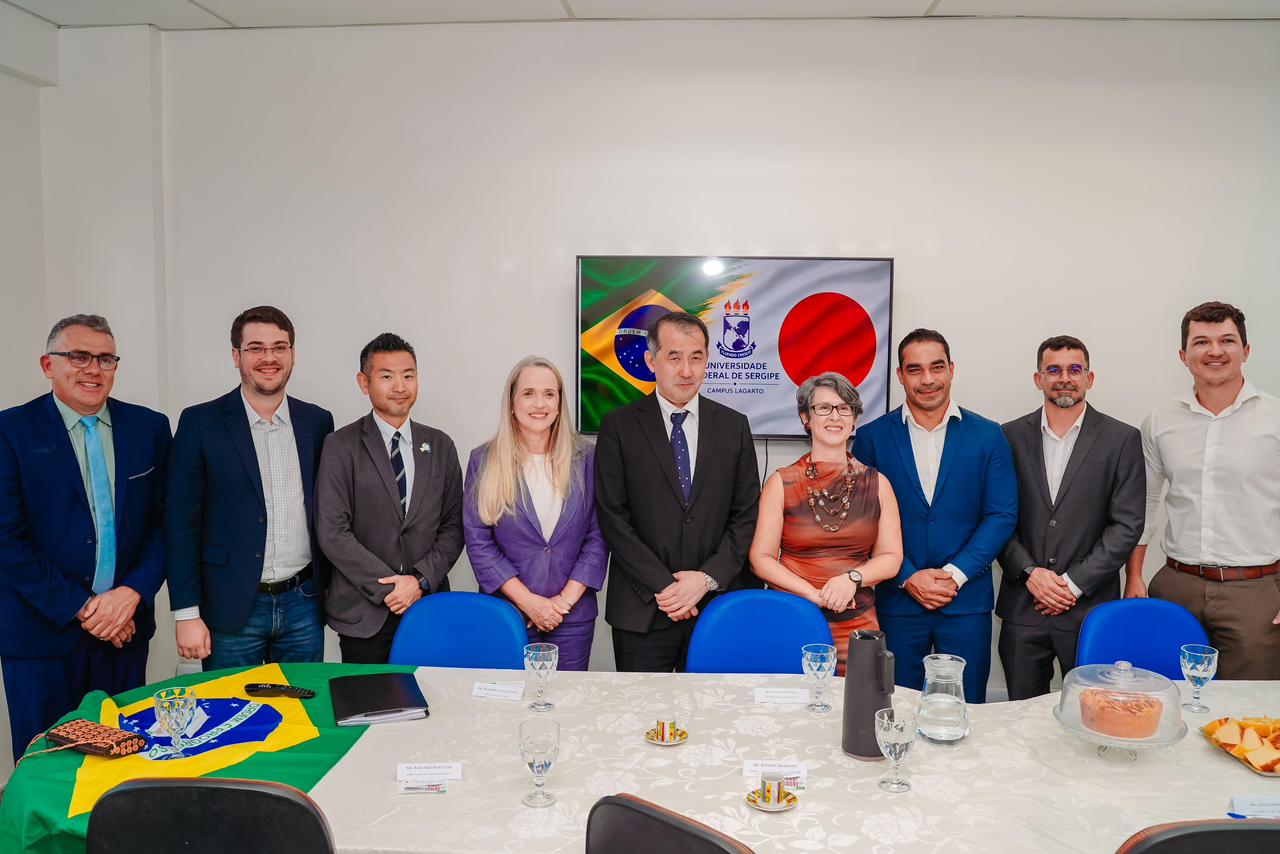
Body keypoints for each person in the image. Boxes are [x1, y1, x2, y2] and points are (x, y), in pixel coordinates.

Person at [0, 315, 171, 760]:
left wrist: (131, 593)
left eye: (105, 359)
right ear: (48, 365)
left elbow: (165, 524)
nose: (94, 369)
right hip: (41, 636)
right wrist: (86, 608)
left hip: (124, 633)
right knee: (47, 765)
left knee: (124, 761)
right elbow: (7, 541)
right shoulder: (9, 432)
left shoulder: (149, 428)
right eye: (79, 357)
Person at [852, 328, 1017, 703]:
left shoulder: (988, 435)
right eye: (915, 369)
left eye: (936, 367)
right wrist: (907, 576)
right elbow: (864, 519)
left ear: (951, 369)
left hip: (966, 601)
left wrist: (954, 575)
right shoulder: (872, 438)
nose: (927, 379)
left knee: (965, 706)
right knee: (894, 705)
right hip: (897, 600)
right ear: (900, 375)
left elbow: (1001, 515)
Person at [166, 306, 334, 669]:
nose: (269, 358)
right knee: (228, 704)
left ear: (293, 354)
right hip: (230, 605)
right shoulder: (200, 423)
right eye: (256, 348)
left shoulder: (318, 422)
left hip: (303, 602)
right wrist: (186, 613)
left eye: (279, 347)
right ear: (236, 356)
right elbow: (180, 525)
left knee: (301, 703)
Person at [594, 312, 761, 672]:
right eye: (674, 357)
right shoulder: (618, 426)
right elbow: (613, 518)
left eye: (696, 357)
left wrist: (704, 580)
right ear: (651, 361)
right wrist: (668, 588)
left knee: (714, 708)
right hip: (643, 608)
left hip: (714, 606)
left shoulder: (733, 427)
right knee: (642, 709)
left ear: (707, 360)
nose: (686, 370)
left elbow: (746, 515)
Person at [1128, 301, 1280, 679]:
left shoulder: (1275, 418)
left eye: (1226, 340)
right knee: (1167, 698)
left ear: (1246, 351)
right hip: (1176, 586)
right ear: (1184, 356)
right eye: (1201, 342)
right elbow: (1145, 502)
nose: (1215, 351)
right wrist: (1134, 575)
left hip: (1255, 593)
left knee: (1249, 707)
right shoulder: (1160, 420)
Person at [997, 336, 1145, 700]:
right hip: (1023, 608)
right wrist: (1030, 573)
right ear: (1039, 379)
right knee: (1020, 718)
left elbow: (1127, 525)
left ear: (1089, 378)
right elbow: (997, 517)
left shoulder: (1122, 438)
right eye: (1054, 370)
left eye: (1075, 369)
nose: (1065, 378)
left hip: (1089, 611)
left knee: (1090, 716)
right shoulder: (1007, 436)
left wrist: (1072, 584)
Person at [317, 333, 464, 664]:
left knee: (430, 695)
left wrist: (419, 581)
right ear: (364, 382)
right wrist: (391, 588)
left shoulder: (440, 445)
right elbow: (333, 532)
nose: (400, 386)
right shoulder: (340, 446)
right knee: (370, 697)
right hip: (364, 613)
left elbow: (454, 526)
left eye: (408, 376)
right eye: (387, 376)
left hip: (426, 606)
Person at [749, 373, 903, 675]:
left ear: (854, 419)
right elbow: (760, 559)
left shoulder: (879, 484)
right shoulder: (780, 483)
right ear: (806, 418)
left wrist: (853, 578)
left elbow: (891, 557)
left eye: (844, 408)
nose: (835, 416)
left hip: (857, 625)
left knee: (857, 702)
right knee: (791, 702)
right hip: (795, 616)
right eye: (824, 408)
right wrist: (812, 594)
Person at [463, 356, 608, 671]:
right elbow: (478, 542)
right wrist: (528, 602)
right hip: (508, 614)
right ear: (512, 402)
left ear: (559, 404)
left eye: (549, 394)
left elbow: (599, 536)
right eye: (528, 393)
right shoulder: (483, 460)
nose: (539, 403)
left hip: (571, 617)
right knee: (508, 699)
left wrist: (562, 603)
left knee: (566, 699)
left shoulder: (588, 459)